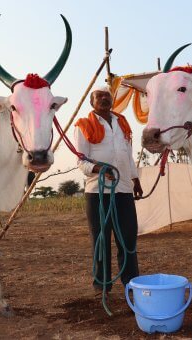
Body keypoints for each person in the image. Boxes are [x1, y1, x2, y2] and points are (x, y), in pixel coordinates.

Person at [74, 86, 143, 295]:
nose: (104, 98)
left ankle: (131, 283)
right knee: (101, 239)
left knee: (128, 237)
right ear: (92, 102)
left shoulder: (121, 123)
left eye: (107, 96)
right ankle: (102, 285)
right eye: (99, 96)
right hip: (97, 192)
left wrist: (135, 180)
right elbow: (81, 160)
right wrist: (99, 169)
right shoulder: (84, 125)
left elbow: (127, 155)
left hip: (123, 189)